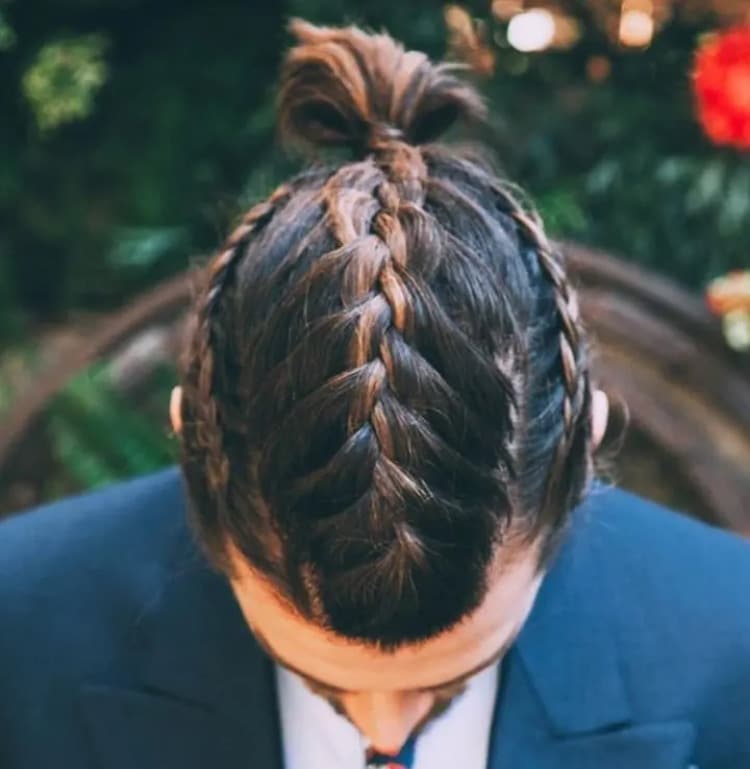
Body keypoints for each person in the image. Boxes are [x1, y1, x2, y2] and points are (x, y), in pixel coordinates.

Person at [1, 19, 749, 769]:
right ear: (189, 438)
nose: (382, 729)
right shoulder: (20, 632)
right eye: (318, 678)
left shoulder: (732, 650)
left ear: (581, 447)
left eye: (453, 677)